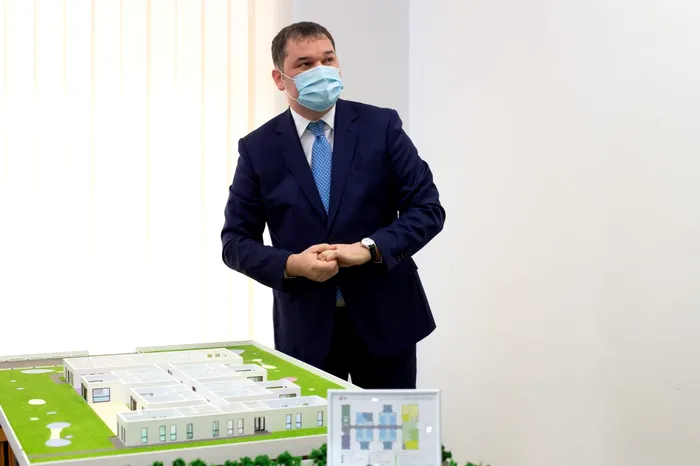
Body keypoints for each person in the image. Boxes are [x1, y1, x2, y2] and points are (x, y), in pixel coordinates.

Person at [221, 22, 445, 389]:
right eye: (305, 64)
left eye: (328, 60)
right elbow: (235, 242)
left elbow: (427, 209)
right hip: (307, 332)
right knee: (318, 427)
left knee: (388, 428)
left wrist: (369, 249)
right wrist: (292, 264)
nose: (321, 71)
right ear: (279, 79)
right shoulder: (258, 148)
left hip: (386, 321)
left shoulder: (381, 126)